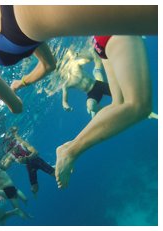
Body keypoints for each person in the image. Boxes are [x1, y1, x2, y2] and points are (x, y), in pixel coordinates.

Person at [0, 5, 156, 114]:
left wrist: (16, 87)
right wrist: (24, 80)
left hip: (23, 19)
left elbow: (17, 107)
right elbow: (49, 65)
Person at [56, 35, 154, 188]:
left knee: (118, 103)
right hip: (113, 32)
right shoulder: (66, 84)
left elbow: (91, 58)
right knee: (138, 105)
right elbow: (64, 97)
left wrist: (91, 64)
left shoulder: (75, 66)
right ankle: (71, 151)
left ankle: (70, 146)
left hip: (101, 46)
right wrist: (65, 103)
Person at [0, 126, 54, 197]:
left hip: (37, 161)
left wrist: (28, 158)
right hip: (29, 167)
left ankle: (55, 167)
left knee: (54, 174)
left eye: (12, 144)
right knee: (35, 188)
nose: (12, 148)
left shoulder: (22, 144)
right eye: (9, 147)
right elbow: (4, 168)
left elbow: (36, 152)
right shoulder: (10, 156)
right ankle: (52, 167)